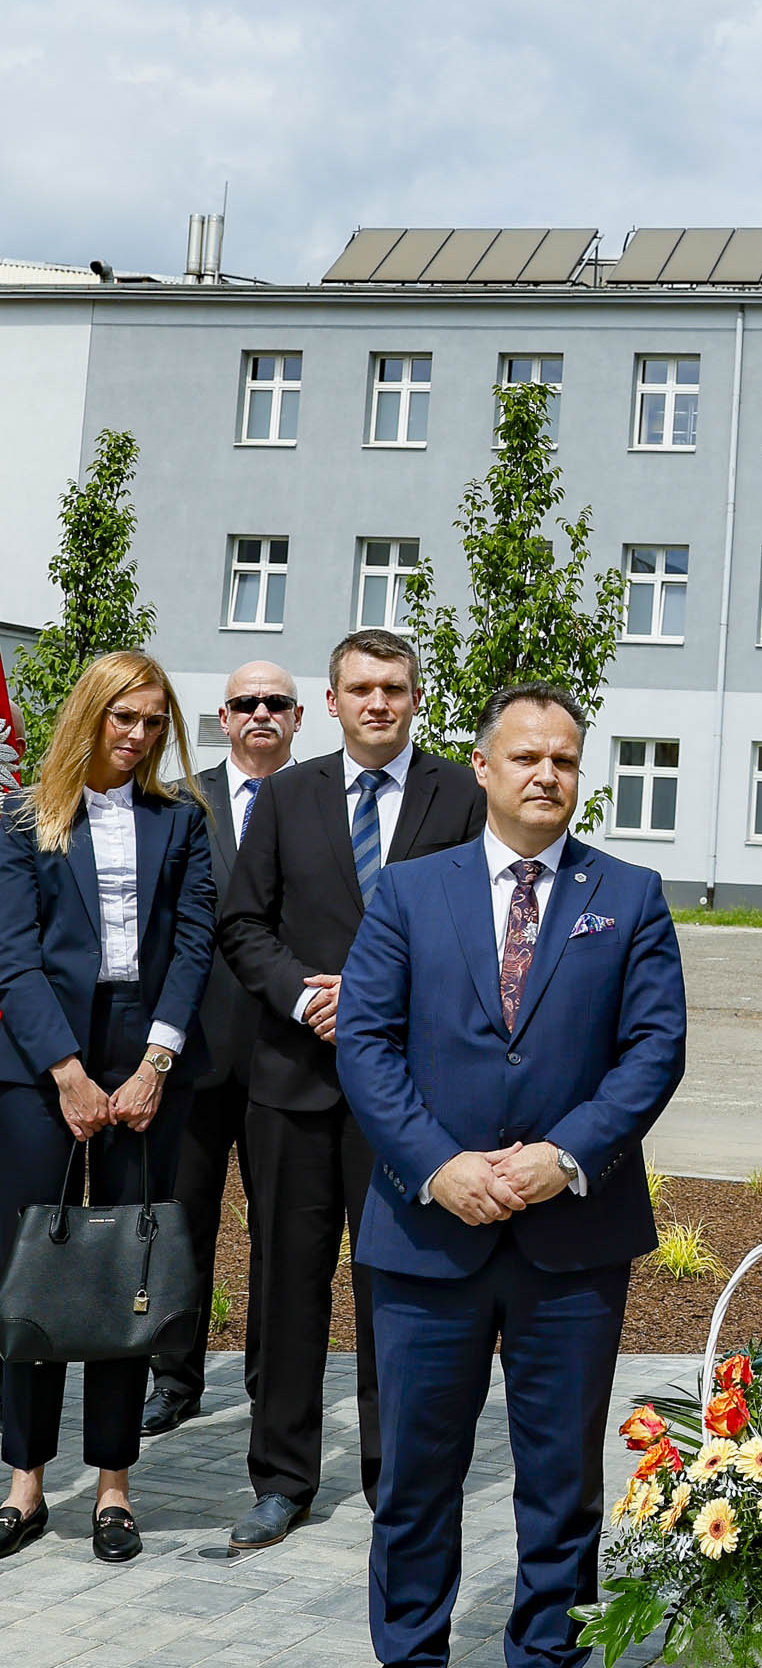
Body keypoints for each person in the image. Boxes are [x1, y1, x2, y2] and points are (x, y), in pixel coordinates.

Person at [329, 682, 686, 1668]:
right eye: (525, 756)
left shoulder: (627, 895)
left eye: (566, 760)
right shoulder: (405, 892)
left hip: (568, 1241)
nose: (547, 775)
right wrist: (436, 1166)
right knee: (417, 1471)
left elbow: (652, 1051)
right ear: (479, 768)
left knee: (559, 1474)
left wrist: (561, 1157)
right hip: (427, 1239)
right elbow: (368, 1047)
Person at [218, 629, 483, 1547]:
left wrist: (372, 997)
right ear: (329, 703)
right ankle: (281, 1478)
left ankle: (392, 1480)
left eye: (396, 688)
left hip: (410, 1094)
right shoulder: (288, 797)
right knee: (287, 1289)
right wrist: (301, 995)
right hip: (294, 1082)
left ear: (417, 698)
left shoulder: (460, 795)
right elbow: (243, 924)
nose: (379, 703)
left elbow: (480, 928)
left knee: (395, 1291)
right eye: (361, 689)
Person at [0, 653, 216, 1560]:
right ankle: (25, 1480)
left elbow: (198, 941)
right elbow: (10, 953)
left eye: (154, 722)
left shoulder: (183, 822)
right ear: (89, 714)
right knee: (28, 1270)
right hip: (39, 1053)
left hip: (146, 1050)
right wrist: (67, 1072)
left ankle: (115, 1486)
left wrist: (156, 1061)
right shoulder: (22, 818)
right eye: (123, 717)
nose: (137, 736)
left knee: (131, 1263)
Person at [142, 663, 303, 1437]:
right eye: (247, 703)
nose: (261, 714)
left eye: (276, 703)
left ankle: (271, 1383)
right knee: (184, 1225)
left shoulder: (324, 803)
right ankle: (174, 1378)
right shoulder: (180, 803)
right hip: (197, 1054)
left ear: (300, 717)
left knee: (281, 1232)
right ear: (225, 716)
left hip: (291, 1056)